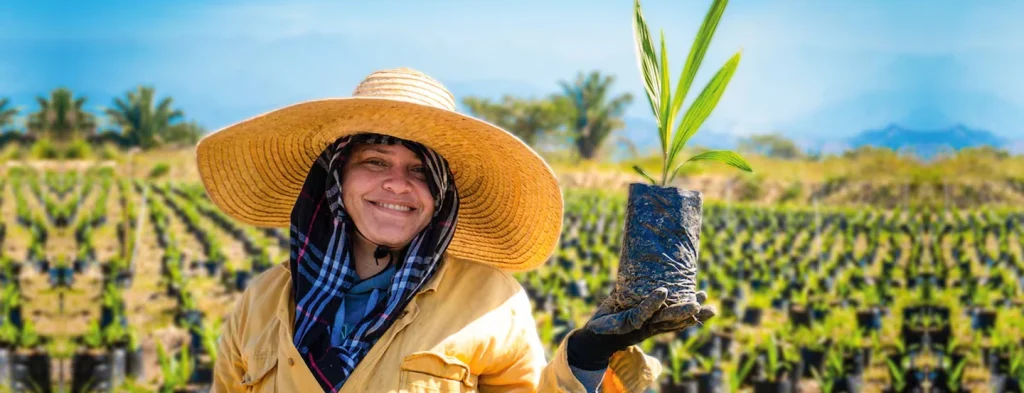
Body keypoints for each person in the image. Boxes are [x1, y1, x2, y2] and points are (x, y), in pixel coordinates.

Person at [202, 67, 715, 393]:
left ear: (442, 193)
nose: (398, 185)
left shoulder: (490, 300)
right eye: (376, 161)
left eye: (421, 170)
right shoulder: (264, 301)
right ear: (336, 176)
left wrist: (587, 355)